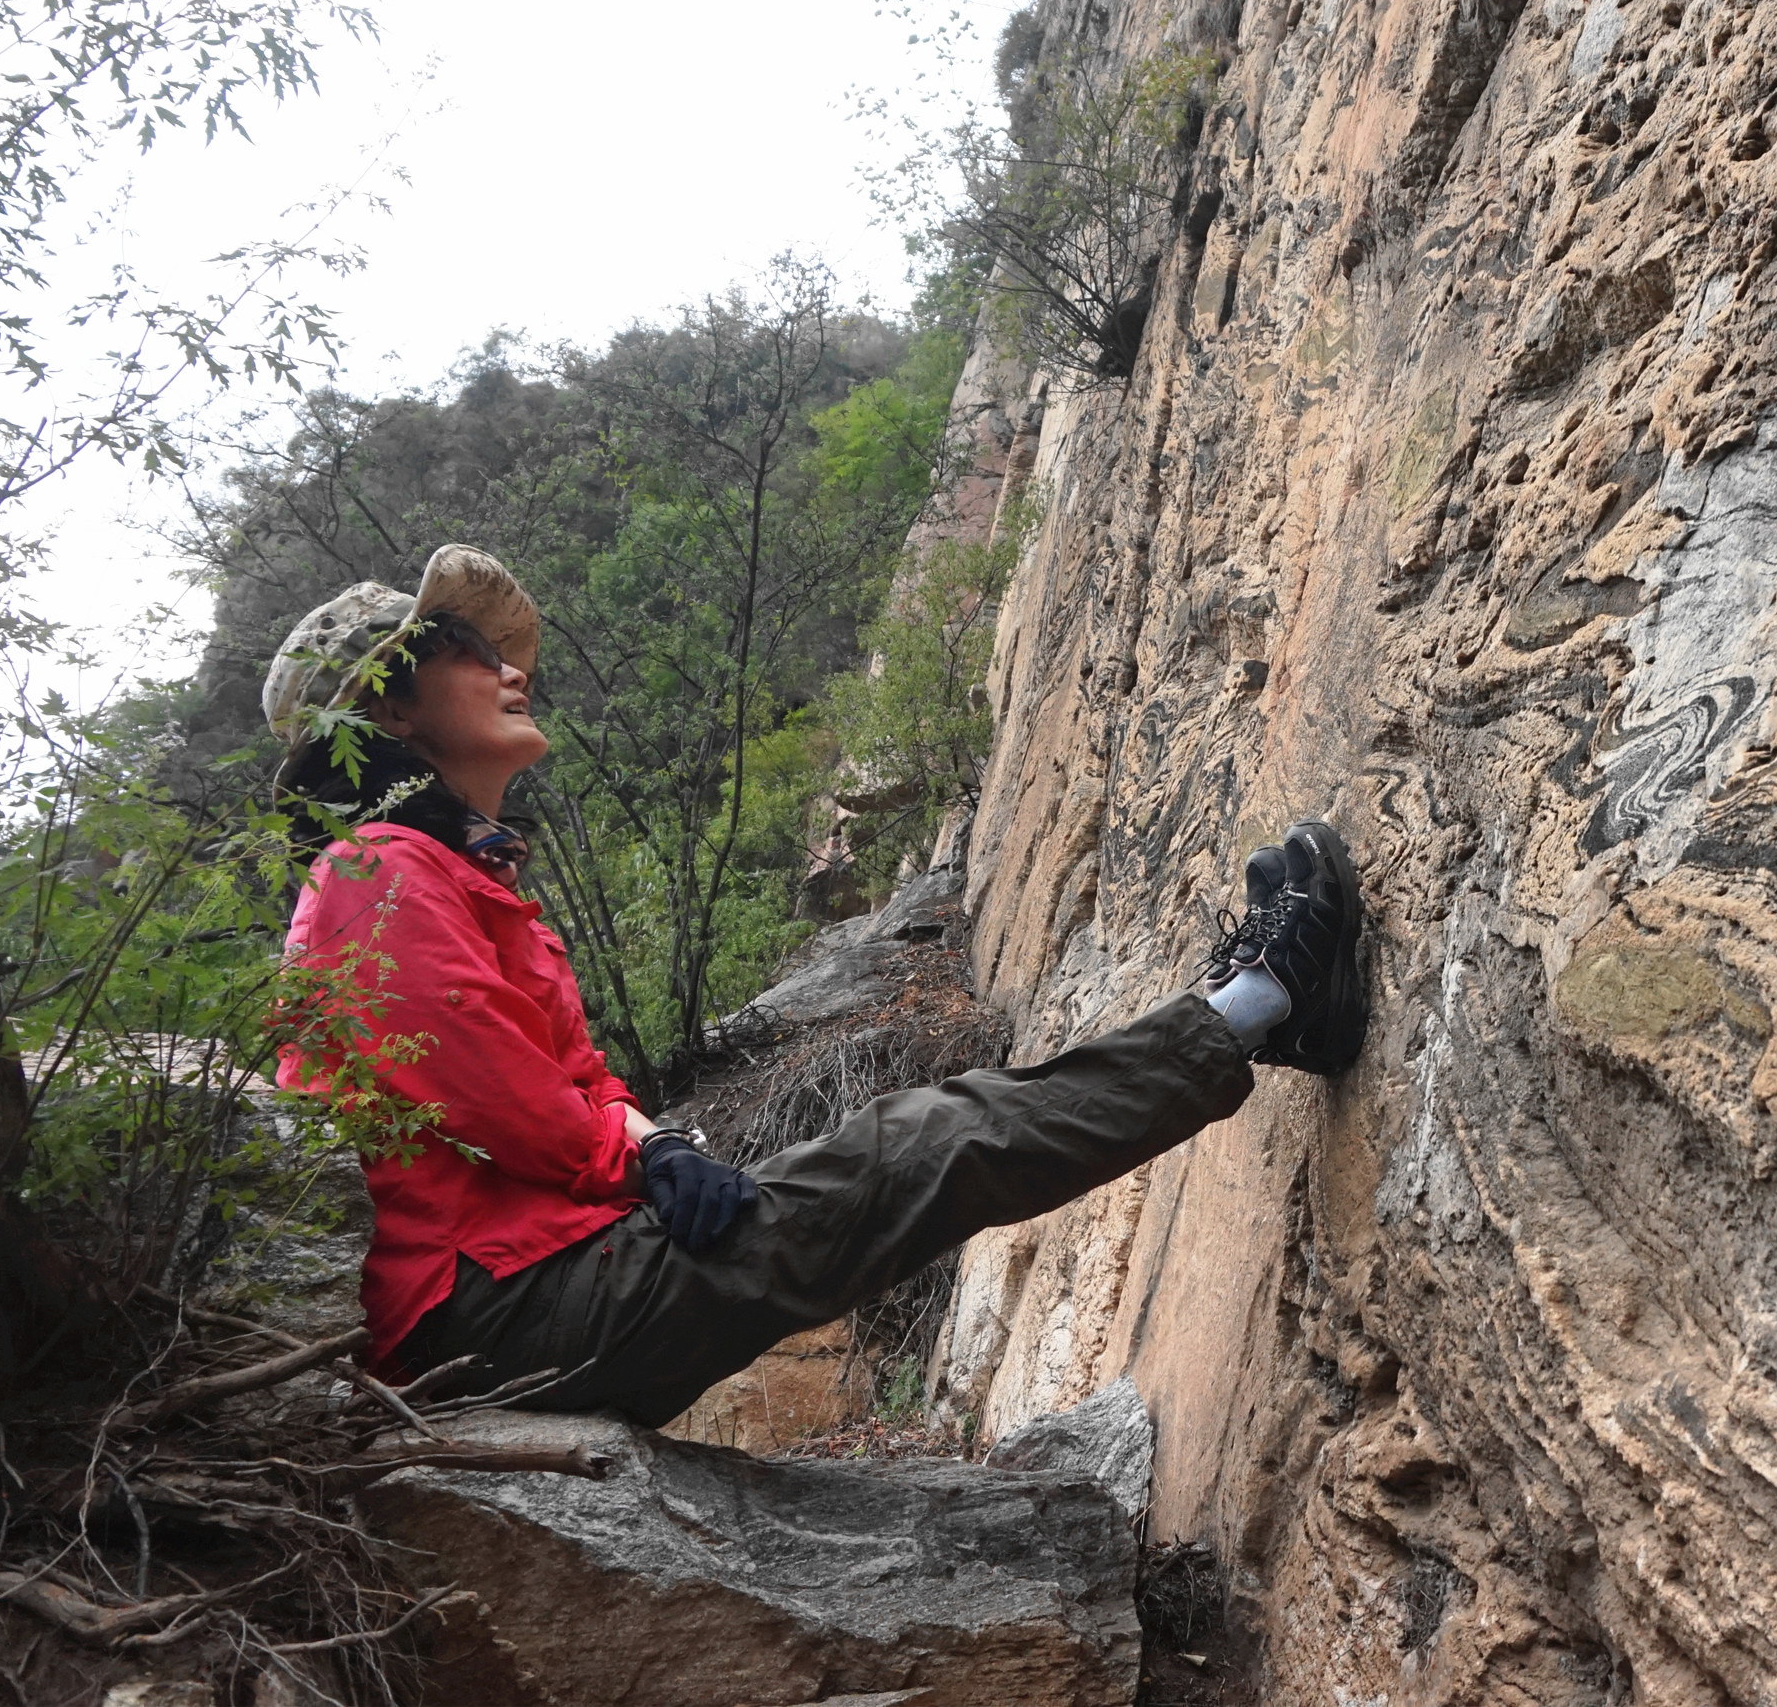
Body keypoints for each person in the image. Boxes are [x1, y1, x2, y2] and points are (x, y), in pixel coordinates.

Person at [265, 545, 1365, 1425]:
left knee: (919, 1146)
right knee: (928, 1141)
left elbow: (576, 1077)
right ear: (393, 712)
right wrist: (640, 1155)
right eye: (463, 647)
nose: (510, 669)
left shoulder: (453, 876)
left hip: (542, 1278)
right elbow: (484, 1084)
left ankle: (1251, 1014)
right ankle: (1264, 1004)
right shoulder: (373, 871)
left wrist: (652, 1143)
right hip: (493, 1309)